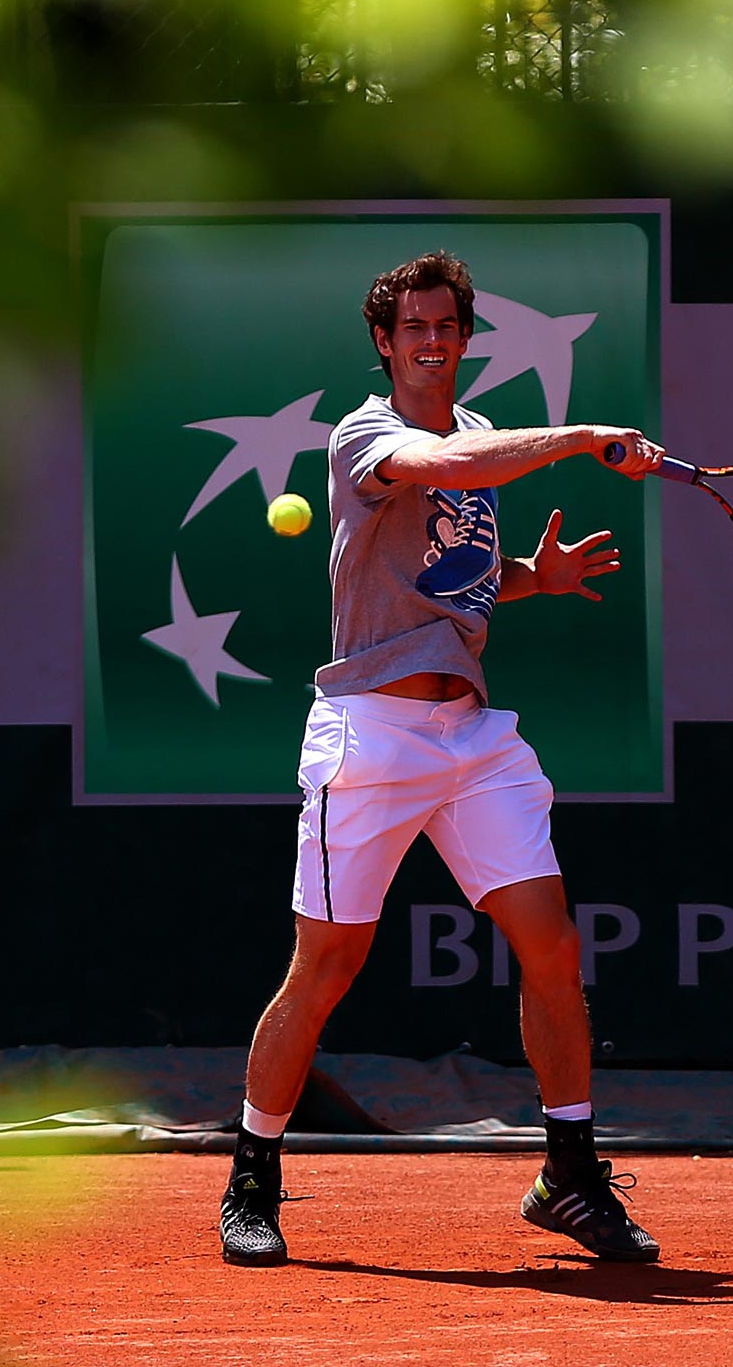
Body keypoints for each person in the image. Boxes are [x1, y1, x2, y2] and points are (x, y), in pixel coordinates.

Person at [218, 250, 665, 1267]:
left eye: (445, 327)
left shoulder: (475, 436)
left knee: (550, 946)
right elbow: (446, 472)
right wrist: (583, 437)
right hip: (368, 732)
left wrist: (527, 580)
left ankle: (567, 1176)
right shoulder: (365, 435)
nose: (429, 342)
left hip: (472, 736)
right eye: (410, 328)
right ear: (384, 343)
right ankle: (253, 1173)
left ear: (465, 339)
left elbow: (450, 571)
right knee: (325, 965)